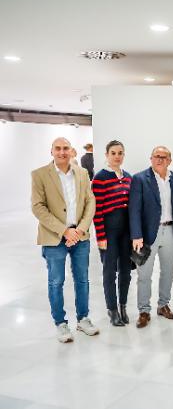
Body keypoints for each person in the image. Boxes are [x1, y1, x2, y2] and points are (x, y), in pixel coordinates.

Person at [31, 137, 99, 343]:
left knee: (82, 280)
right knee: (56, 281)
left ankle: (83, 318)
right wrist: (64, 231)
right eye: (58, 148)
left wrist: (79, 230)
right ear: (51, 151)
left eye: (66, 148)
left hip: (80, 236)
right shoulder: (40, 174)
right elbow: (38, 207)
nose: (62, 152)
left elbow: (90, 201)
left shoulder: (82, 173)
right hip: (54, 237)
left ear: (72, 151)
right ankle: (60, 323)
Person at [129, 146, 173, 328]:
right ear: (151, 158)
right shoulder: (139, 179)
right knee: (144, 274)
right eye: (156, 156)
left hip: (171, 231)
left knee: (168, 272)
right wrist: (136, 235)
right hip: (146, 236)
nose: (160, 159)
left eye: (164, 157)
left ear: (170, 160)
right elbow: (134, 209)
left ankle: (163, 305)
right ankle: (144, 310)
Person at [92, 140, 133, 326]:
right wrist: (100, 236)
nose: (117, 156)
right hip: (109, 231)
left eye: (120, 153)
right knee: (110, 272)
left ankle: (123, 305)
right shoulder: (100, 178)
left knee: (126, 271)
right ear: (107, 155)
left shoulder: (128, 177)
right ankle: (112, 309)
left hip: (126, 232)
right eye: (114, 153)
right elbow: (97, 210)